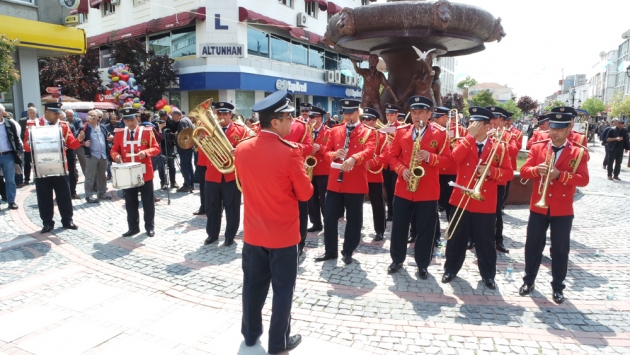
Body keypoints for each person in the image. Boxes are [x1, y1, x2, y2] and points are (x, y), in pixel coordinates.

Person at [235, 90, 311, 355]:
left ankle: (251, 334)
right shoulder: (290, 152)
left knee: (252, 288)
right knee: (282, 292)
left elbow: (245, 184)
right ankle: (278, 342)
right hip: (283, 236)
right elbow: (305, 194)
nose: (292, 122)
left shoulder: (242, 148)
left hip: (254, 233)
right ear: (276, 121)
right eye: (288, 117)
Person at [519, 111, 589, 303]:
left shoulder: (578, 151)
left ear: (569, 129)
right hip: (538, 207)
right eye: (552, 128)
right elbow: (524, 171)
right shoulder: (538, 147)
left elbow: (584, 180)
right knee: (533, 245)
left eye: (559, 129)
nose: (554, 132)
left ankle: (558, 286)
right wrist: (536, 170)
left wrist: (560, 175)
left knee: (560, 249)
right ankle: (529, 280)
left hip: (562, 209)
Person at [442, 107, 513, 289]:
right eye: (472, 122)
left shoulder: (499, 146)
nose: (472, 126)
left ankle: (488, 275)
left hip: (485, 201)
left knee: (485, 240)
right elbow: (454, 158)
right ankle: (450, 269)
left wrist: (490, 171)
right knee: (456, 238)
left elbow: (508, 174)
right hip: (462, 198)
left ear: (488, 125)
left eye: (478, 123)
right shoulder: (463, 141)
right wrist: (469, 137)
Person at [387, 96, 451, 277]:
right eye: (414, 112)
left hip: (427, 189)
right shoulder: (401, 131)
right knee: (399, 226)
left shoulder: (440, 133)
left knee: (426, 228)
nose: (417, 116)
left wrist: (430, 157)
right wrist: (401, 170)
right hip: (404, 186)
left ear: (429, 114)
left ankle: (423, 263)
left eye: (421, 112)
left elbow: (448, 161)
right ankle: (397, 259)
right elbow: (392, 157)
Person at [315, 99, 376, 265]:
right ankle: (330, 251)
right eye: (345, 113)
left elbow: (370, 150)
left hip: (355, 182)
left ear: (358, 112)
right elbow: (326, 152)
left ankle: (348, 250)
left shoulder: (368, 132)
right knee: (329, 217)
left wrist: (355, 158)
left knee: (354, 219)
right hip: (335, 181)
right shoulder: (334, 131)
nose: (347, 116)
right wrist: (335, 154)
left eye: (351, 113)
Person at [24, 103, 85, 232]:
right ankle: (47, 222)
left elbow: (72, 145)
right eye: (55, 113)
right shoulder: (33, 125)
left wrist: (79, 140)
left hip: (60, 166)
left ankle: (67, 220)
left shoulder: (63, 126)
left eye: (59, 113)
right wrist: (30, 143)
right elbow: (26, 147)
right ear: (47, 112)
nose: (58, 115)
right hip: (41, 168)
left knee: (64, 195)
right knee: (44, 196)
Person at [203, 102, 251, 246]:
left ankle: (230, 236)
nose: (222, 116)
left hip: (231, 175)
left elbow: (250, 147)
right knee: (212, 206)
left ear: (231, 115)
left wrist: (239, 150)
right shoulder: (208, 129)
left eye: (225, 114)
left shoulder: (241, 130)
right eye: (220, 114)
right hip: (213, 174)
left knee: (232, 207)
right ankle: (212, 234)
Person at [111, 108, 160, 237]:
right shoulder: (120, 133)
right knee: (130, 202)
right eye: (127, 120)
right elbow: (114, 149)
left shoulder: (147, 132)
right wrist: (116, 156)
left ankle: (149, 226)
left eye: (132, 119)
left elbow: (156, 148)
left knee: (148, 201)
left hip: (144, 172)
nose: (130, 123)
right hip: (127, 173)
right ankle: (133, 227)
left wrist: (146, 152)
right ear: (123, 120)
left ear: (136, 118)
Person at [485, 106, 517, 254]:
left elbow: (514, 151)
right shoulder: (483, 132)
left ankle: (498, 239)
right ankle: (473, 237)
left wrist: (499, 139)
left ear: (503, 121)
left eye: (496, 118)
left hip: (497, 180)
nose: (493, 121)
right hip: (481, 178)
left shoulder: (510, 135)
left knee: (496, 211)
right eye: (491, 118)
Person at [282, 102, 313, 255]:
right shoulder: (267, 124)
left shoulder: (301, 126)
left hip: (295, 170)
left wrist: (287, 145)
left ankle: (300, 241)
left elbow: (308, 147)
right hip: (275, 173)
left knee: (301, 209)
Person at [362, 107, 389, 242]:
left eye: (370, 119)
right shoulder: (356, 134)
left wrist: (371, 163)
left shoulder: (382, 135)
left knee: (377, 203)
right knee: (354, 203)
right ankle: (356, 226)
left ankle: (379, 230)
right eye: (364, 119)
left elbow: (386, 154)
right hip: (358, 174)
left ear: (376, 121)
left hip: (374, 174)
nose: (366, 121)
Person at [305, 106, 330, 234]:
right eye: (309, 117)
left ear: (320, 118)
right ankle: (315, 223)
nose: (310, 119)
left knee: (324, 199)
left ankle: (328, 222)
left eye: (313, 117)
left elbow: (332, 151)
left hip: (323, 170)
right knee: (311, 198)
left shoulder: (329, 132)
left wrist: (320, 148)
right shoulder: (306, 131)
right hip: (310, 170)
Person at [82, 110, 112, 203]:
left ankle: (102, 193)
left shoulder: (102, 127)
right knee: (90, 176)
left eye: (97, 116)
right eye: (93, 116)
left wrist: (111, 137)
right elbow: (77, 140)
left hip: (103, 155)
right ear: (89, 117)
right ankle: (89, 195)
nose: (96, 118)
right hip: (92, 155)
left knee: (102, 175)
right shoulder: (85, 128)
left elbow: (109, 135)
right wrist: (84, 143)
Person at [0, 104, 22, 211]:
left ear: (2, 113)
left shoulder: (9, 124)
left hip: (8, 155)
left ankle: (11, 201)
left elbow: (16, 138)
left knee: (10, 180)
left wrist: (18, 151)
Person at [381, 103, 401, 221]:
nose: (389, 118)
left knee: (395, 188)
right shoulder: (384, 127)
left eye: (392, 115)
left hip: (396, 163)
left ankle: (397, 211)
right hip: (386, 163)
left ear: (397, 115)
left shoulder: (401, 127)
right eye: (387, 115)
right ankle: (390, 212)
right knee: (388, 189)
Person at [171, 109, 195, 192]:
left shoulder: (182, 122)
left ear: (177, 115)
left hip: (185, 147)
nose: (172, 118)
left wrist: (175, 137)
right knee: (189, 166)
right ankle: (191, 184)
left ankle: (187, 185)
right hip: (188, 147)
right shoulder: (187, 119)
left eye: (173, 116)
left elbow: (185, 135)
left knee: (185, 167)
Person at [21, 107, 39, 185]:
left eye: (33, 112)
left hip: (37, 145)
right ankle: (27, 179)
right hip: (26, 145)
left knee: (36, 162)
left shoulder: (39, 121)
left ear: (36, 113)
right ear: (27, 113)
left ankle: (36, 177)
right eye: (30, 112)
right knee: (27, 162)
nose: (32, 114)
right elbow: (21, 132)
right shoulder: (22, 121)